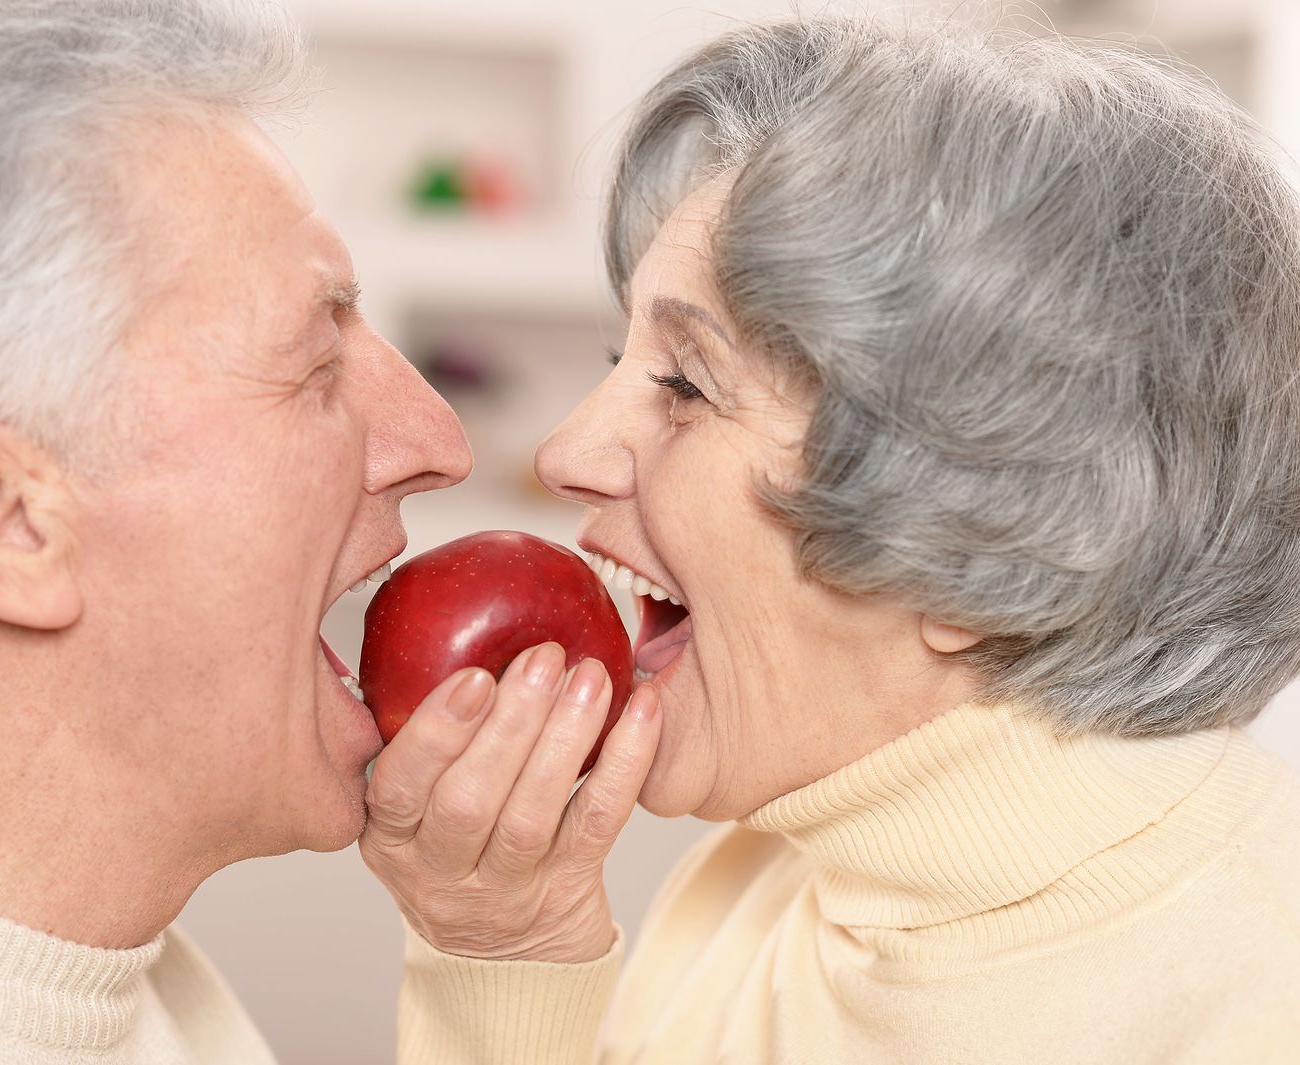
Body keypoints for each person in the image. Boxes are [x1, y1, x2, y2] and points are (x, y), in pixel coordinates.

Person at [362, 16, 1300, 1063]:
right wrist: (509, 955)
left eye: (683, 384)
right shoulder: (740, 898)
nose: (566, 450)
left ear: (983, 537)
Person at [0, 1, 476, 1062]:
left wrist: (499, 950)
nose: (435, 441)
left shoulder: (95, 979)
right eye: (316, 366)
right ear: (2, 518)